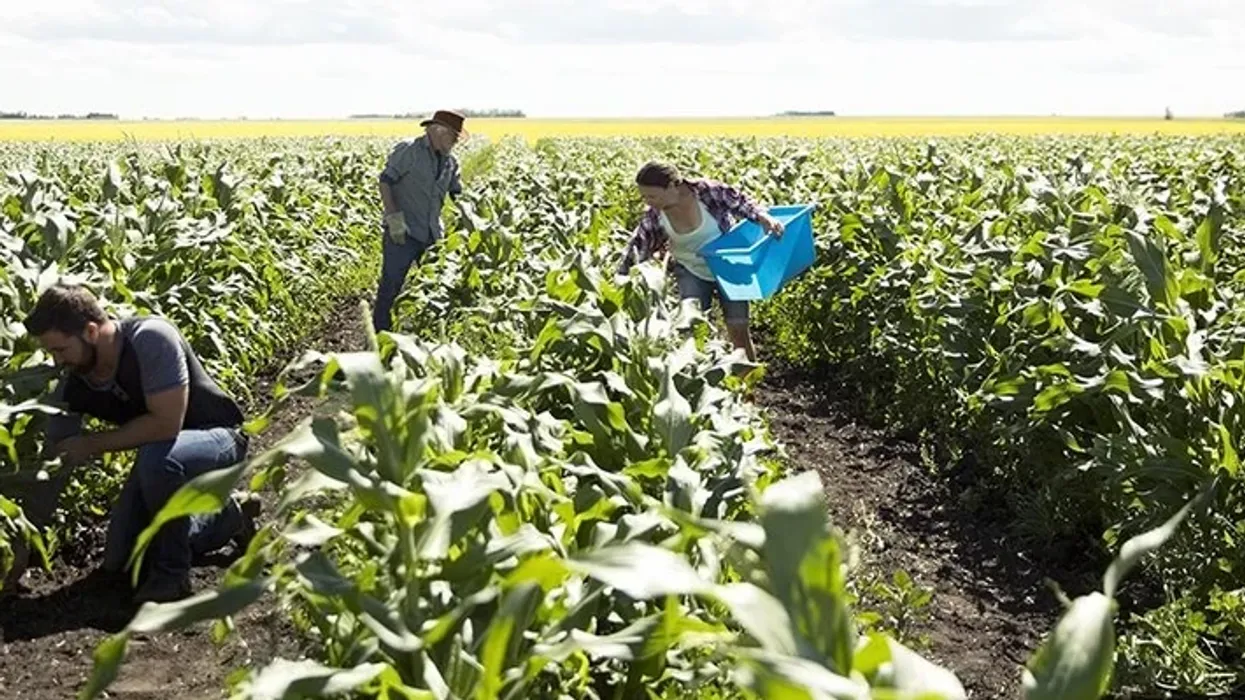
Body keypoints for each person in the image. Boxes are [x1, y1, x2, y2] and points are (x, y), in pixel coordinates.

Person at [19, 283, 259, 603]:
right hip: (158, 457)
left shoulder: (150, 338)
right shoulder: (73, 382)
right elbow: (56, 459)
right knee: (123, 560)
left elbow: (166, 424)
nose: (56, 361)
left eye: (60, 350)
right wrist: (22, 544)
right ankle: (228, 516)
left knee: (158, 458)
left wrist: (90, 444)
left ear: (91, 331)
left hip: (217, 439)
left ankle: (172, 575)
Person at [617, 161, 784, 361]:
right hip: (690, 270)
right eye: (643, 196)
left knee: (738, 329)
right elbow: (637, 246)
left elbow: (742, 203)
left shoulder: (707, 193)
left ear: (671, 186)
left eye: (651, 195)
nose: (647, 201)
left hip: (728, 267)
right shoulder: (655, 216)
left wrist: (763, 217)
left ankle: (748, 385)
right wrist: (619, 279)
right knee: (693, 330)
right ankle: (704, 383)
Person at [373, 109, 467, 332]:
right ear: (438, 131)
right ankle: (379, 337)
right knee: (391, 287)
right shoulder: (409, 151)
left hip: (432, 236)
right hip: (403, 233)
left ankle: (428, 336)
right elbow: (385, 181)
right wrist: (393, 218)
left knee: (436, 289)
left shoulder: (450, 163)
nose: (455, 142)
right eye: (453, 137)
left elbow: (458, 194)